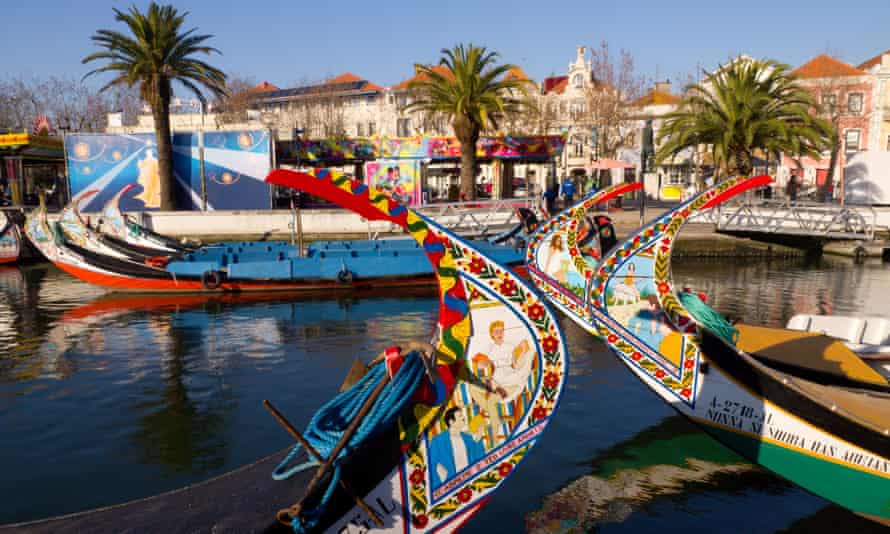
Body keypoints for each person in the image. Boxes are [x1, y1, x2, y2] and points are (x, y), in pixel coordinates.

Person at [429, 407, 485, 487]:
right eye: (460, 416)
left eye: (462, 415)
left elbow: (477, 457)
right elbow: (431, 463)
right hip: (449, 484)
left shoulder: (468, 438)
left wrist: (479, 437)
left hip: (469, 482)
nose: (463, 418)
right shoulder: (438, 440)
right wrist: (440, 474)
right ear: (451, 422)